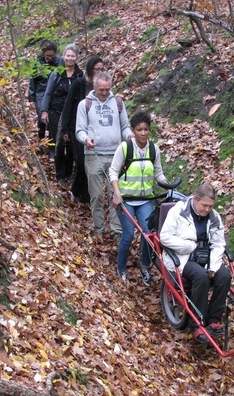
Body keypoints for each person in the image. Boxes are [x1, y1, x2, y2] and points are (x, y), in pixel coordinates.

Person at [159, 183, 232, 344]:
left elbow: (219, 244)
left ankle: (213, 319)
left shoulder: (214, 217)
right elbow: (165, 237)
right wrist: (189, 246)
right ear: (195, 199)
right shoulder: (178, 211)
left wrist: (213, 266)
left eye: (210, 206)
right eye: (204, 205)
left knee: (225, 276)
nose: (207, 210)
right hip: (182, 257)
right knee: (201, 277)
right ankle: (197, 323)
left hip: (207, 258)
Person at [109, 111, 169, 285]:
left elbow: (158, 173)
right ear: (133, 131)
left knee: (149, 235)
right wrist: (117, 193)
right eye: (139, 129)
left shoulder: (153, 149)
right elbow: (113, 171)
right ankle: (121, 269)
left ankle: (144, 266)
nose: (143, 133)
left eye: (146, 129)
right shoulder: (125, 148)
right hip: (126, 200)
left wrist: (169, 185)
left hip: (145, 200)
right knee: (128, 235)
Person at [75, 72, 132, 237]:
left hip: (115, 155)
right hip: (94, 155)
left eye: (107, 89)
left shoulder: (118, 102)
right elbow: (80, 130)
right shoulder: (85, 105)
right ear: (94, 87)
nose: (105, 93)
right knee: (96, 195)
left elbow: (125, 126)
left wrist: (129, 136)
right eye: (101, 90)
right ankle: (98, 229)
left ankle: (116, 231)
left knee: (115, 194)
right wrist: (86, 139)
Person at [60, 57, 104, 205]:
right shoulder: (79, 83)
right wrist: (65, 128)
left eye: (102, 69)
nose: (99, 72)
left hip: (94, 131)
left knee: (90, 163)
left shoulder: (102, 88)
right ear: (90, 69)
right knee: (81, 161)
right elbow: (68, 106)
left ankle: (84, 195)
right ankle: (76, 190)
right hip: (77, 128)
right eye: (97, 69)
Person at [41, 44, 83, 183]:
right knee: (58, 144)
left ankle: (69, 172)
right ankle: (60, 175)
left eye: (73, 56)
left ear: (76, 58)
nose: (70, 59)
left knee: (71, 145)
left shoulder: (80, 75)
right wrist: (44, 111)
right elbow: (48, 93)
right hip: (56, 112)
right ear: (63, 56)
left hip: (73, 116)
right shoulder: (56, 74)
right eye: (68, 55)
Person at [28, 42, 63, 148]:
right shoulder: (37, 62)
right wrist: (31, 98)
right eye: (47, 56)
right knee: (42, 117)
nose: (49, 58)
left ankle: (53, 143)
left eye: (51, 56)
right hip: (41, 92)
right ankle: (41, 138)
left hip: (55, 92)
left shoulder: (60, 62)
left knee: (53, 119)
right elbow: (32, 81)